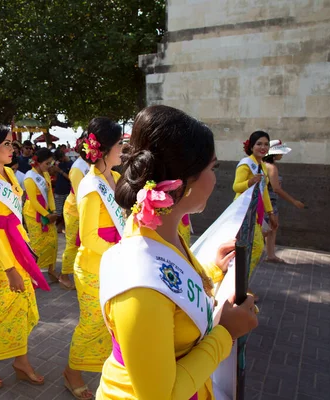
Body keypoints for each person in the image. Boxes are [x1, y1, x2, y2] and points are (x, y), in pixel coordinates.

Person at [95, 105, 258, 400]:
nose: (215, 178)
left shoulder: (160, 231)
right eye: (213, 168)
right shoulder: (138, 281)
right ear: (185, 181)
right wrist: (226, 333)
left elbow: (172, 286)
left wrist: (211, 270)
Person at [0, 122, 50, 390]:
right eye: (6, 143)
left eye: (12, 142)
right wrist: (9, 268)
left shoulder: (9, 173)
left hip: (17, 248)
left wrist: (27, 249)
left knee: (23, 308)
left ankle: (21, 360)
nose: (12, 147)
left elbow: (16, 218)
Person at [64, 118, 124, 399]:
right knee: (91, 324)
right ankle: (72, 373)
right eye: (120, 144)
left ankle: (104, 367)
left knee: (110, 324)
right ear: (105, 149)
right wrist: (119, 251)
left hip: (115, 265)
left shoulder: (118, 178)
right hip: (93, 269)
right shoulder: (90, 185)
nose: (124, 149)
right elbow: (87, 237)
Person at [233, 131, 278, 284]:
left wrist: (270, 212)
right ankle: (240, 285)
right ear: (251, 146)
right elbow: (236, 187)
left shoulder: (262, 167)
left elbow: (264, 191)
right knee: (255, 248)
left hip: (256, 213)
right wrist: (250, 182)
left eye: (266, 144)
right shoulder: (246, 164)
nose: (263, 147)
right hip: (244, 212)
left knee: (254, 248)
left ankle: (242, 284)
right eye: (259, 144)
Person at [263, 140, 305, 263]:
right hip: (269, 203)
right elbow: (276, 188)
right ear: (274, 154)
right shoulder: (272, 168)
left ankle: (270, 255)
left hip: (264, 201)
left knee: (271, 228)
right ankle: (268, 255)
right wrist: (294, 201)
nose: (282, 155)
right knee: (267, 229)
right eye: (280, 152)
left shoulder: (261, 165)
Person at [23, 148, 59, 281]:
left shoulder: (46, 175)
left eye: (50, 163)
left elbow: (49, 194)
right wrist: (46, 214)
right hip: (33, 214)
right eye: (47, 163)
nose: (49, 167)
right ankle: (32, 273)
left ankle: (51, 270)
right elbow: (33, 200)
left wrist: (53, 211)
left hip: (46, 210)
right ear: (38, 162)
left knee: (53, 240)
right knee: (37, 243)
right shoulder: (29, 178)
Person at [60, 136, 89, 290]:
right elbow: (79, 194)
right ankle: (64, 275)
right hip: (75, 210)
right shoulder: (78, 167)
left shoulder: (88, 164)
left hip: (83, 208)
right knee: (72, 243)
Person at [53, 149, 73, 233]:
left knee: (66, 211)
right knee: (58, 212)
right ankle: (58, 227)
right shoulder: (59, 164)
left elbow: (70, 178)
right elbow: (53, 173)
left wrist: (60, 171)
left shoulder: (71, 164)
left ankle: (64, 227)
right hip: (58, 190)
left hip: (67, 191)